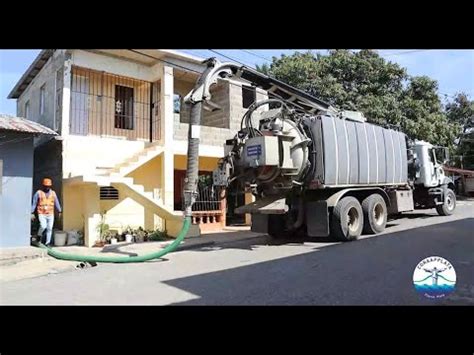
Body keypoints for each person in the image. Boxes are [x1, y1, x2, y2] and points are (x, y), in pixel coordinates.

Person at [31, 178, 62, 246]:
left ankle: (48, 243)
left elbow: (56, 202)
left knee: (49, 228)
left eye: (48, 186)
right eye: (46, 186)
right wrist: (32, 212)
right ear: (43, 185)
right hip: (41, 213)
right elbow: (34, 203)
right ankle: (39, 236)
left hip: (50, 214)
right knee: (43, 226)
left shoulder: (53, 193)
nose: (47, 187)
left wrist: (60, 211)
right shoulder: (39, 193)